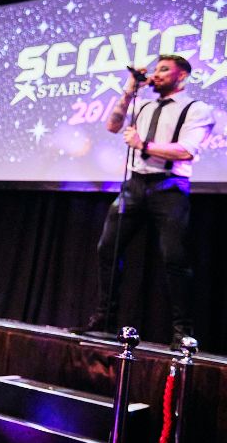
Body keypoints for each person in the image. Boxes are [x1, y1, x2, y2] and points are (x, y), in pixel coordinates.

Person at [70, 55, 214, 350]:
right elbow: (112, 125)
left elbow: (187, 151)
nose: (156, 74)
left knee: (175, 258)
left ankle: (181, 330)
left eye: (164, 70)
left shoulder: (196, 109)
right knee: (108, 248)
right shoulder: (143, 105)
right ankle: (105, 319)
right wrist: (128, 90)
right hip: (134, 185)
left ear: (182, 76)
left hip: (169, 187)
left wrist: (144, 145)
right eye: (156, 69)